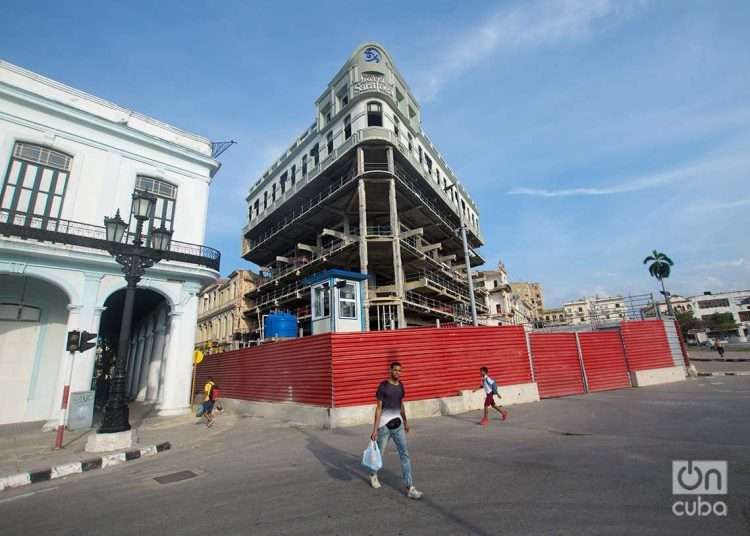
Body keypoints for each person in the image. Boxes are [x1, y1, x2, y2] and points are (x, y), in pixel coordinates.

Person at [369, 361, 423, 500]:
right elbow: (378, 408)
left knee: (404, 454)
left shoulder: (401, 386)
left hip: (398, 425)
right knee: (380, 453)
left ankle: (410, 487)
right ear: (390, 370)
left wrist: (405, 421)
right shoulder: (383, 386)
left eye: (400, 370)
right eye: (395, 370)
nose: (398, 373)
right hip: (384, 426)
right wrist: (375, 430)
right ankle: (373, 474)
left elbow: (401, 404)